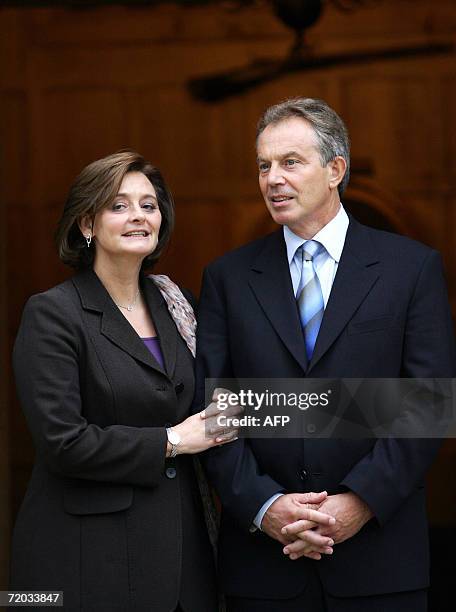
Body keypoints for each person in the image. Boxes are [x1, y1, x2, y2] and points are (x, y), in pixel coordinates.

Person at [194, 98, 455, 611]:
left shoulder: (411, 269)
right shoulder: (227, 278)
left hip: (381, 560)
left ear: (336, 169)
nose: (272, 179)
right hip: (263, 564)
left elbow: (427, 404)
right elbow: (216, 409)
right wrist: (265, 505)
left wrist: (360, 502)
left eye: (290, 162)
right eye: (263, 166)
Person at [11, 150, 238, 611]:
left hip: (185, 559)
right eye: (119, 205)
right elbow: (62, 442)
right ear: (87, 225)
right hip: (91, 562)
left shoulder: (178, 305)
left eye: (149, 205)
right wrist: (171, 441)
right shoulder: (53, 314)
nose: (138, 216)